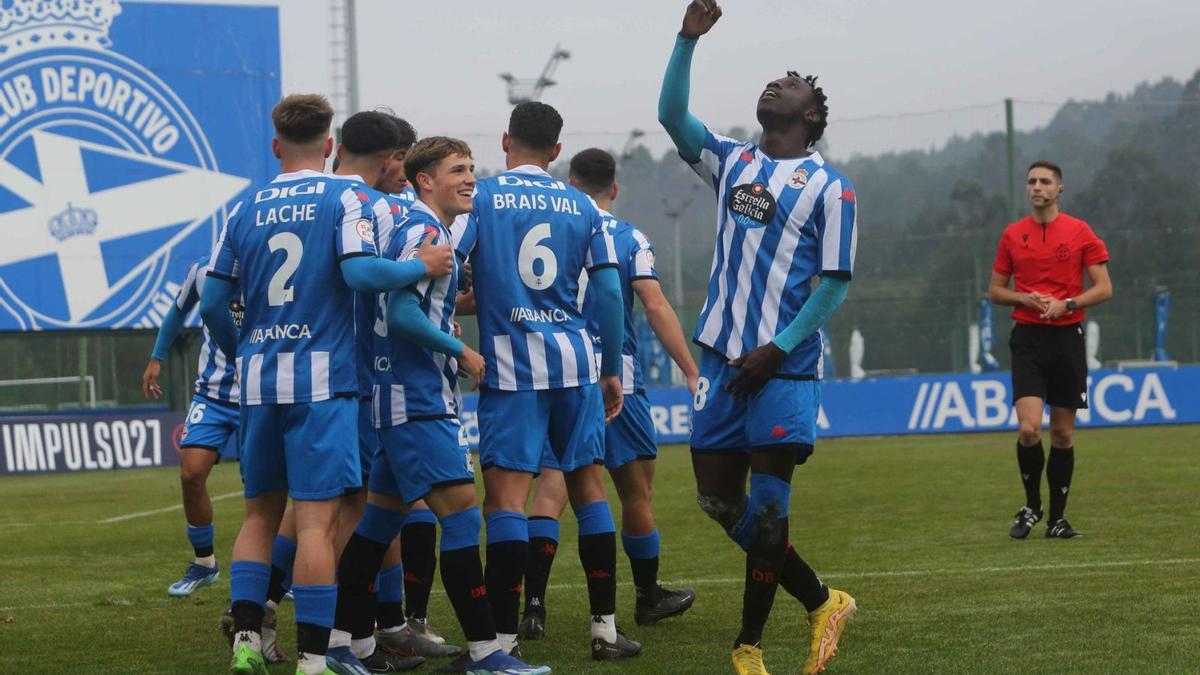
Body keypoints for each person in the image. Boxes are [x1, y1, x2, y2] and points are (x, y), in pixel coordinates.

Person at [201, 93, 452, 675]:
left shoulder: (246, 206)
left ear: (275, 145)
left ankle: (246, 639)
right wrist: (423, 267)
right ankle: (316, 658)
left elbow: (214, 302)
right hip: (326, 381)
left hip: (260, 381)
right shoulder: (348, 197)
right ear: (330, 142)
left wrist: (244, 352)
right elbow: (361, 273)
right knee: (317, 522)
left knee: (259, 518)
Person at [658, 2, 858, 673]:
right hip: (720, 358)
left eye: (791, 85)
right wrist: (687, 41)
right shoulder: (732, 161)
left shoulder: (831, 190)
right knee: (718, 500)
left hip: (784, 368)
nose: (776, 85)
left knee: (771, 516)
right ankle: (823, 598)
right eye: (774, 80)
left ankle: (748, 647)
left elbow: (833, 283)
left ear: (811, 116)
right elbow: (672, 119)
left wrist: (778, 347)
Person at [327, 135, 552, 675]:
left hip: (400, 397)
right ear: (425, 180)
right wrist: (462, 350)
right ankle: (485, 653)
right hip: (417, 400)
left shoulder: (418, 228)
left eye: (472, 168)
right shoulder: (427, 231)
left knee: (377, 529)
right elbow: (403, 316)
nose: (470, 177)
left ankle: (341, 643)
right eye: (458, 169)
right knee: (460, 519)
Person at [454, 102, 640, 661]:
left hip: (510, 369)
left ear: (506, 141)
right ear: (557, 151)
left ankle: (504, 641)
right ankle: (605, 629)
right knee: (588, 491)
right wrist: (609, 368)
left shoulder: (480, 197)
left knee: (506, 502)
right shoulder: (583, 206)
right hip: (576, 367)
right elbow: (608, 293)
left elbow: (446, 268)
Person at [519, 148, 699, 640]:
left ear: (569, 183)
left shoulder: (553, 229)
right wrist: (688, 368)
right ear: (613, 190)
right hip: (616, 376)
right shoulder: (626, 236)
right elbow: (655, 304)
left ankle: (533, 605)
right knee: (633, 492)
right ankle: (647, 597)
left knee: (551, 488)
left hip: (560, 372)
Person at [988, 160, 1112, 540]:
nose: (1036, 187)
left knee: (1062, 434)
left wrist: (1069, 304)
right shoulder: (1013, 235)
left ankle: (1057, 520)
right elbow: (995, 291)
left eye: (1044, 182)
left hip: (1066, 338)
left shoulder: (1080, 232)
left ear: (1060, 189)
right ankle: (1032, 506)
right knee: (1028, 429)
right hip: (1027, 338)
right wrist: (1024, 297)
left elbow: (1104, 287)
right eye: (1031, 181)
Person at [143, 255, 242, 598]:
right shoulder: (203, 269)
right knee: (191, 474)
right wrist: (157, 358)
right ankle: (205, 564)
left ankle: (276, 573)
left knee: (265, 488)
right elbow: (177, 310)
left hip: (260, 395)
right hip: (212, 395)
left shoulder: (268, 264)